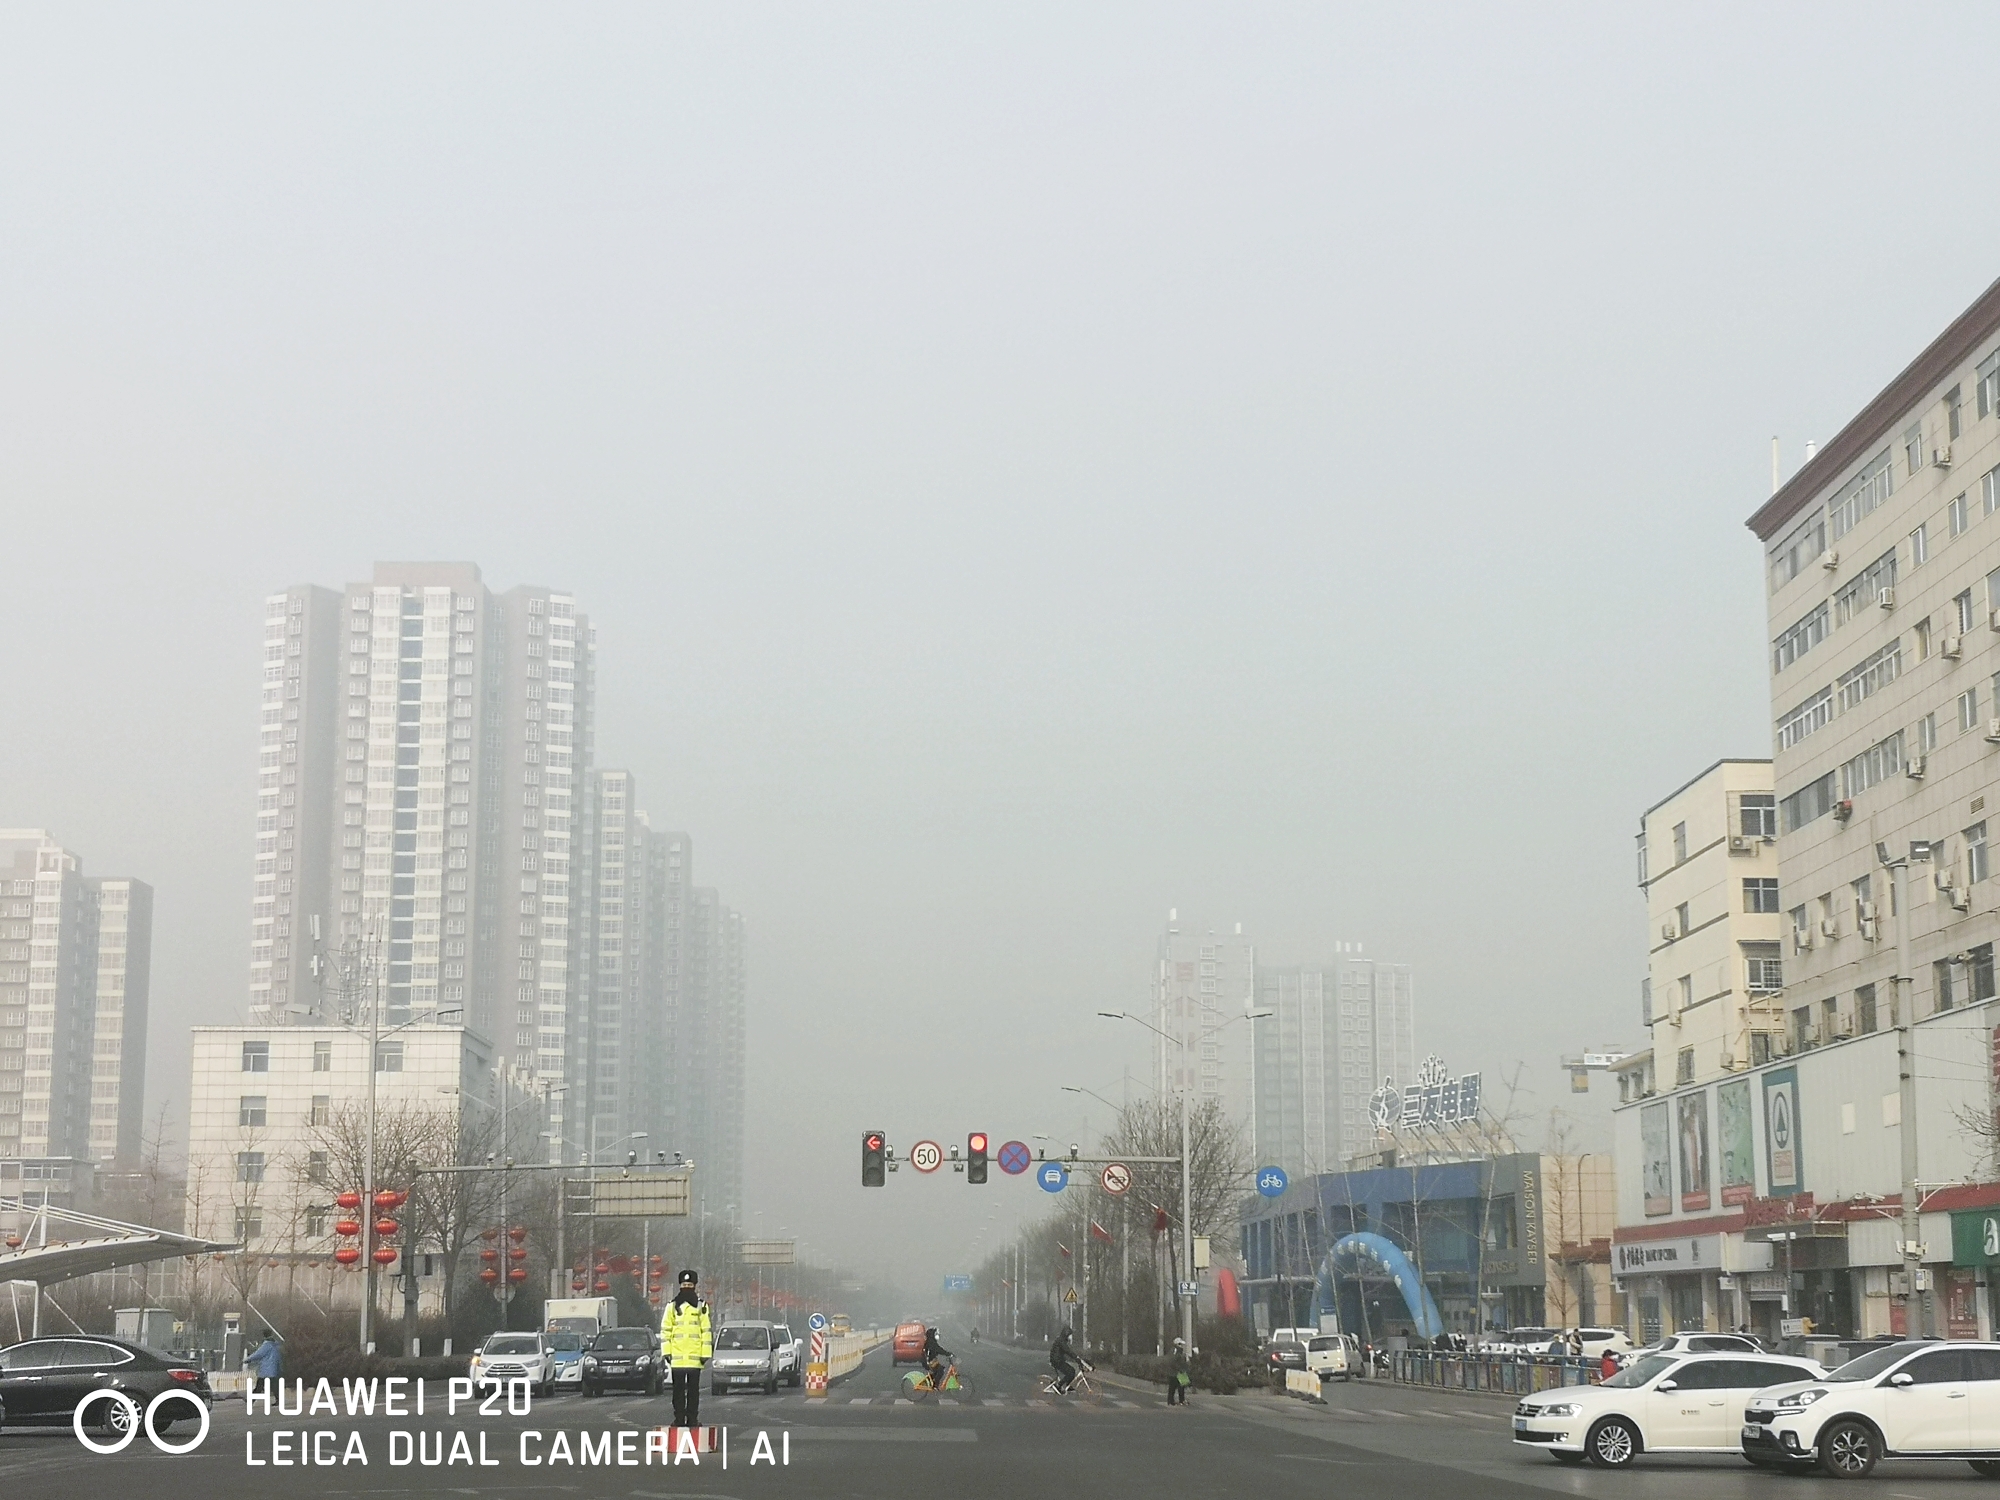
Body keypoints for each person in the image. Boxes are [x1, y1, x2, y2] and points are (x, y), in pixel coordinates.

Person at [660, 1269, 712, 1428]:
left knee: (693, 1393)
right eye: (684, 1284)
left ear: (695, 1286)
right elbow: (665, 1330)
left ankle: (692, 1419)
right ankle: (679, 1419)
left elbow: (706, 1331)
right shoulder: (671, 1307)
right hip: (677, 1359)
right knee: (677, 1393)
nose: (687, 1287)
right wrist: (667, 1352)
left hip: (695, 1359)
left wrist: (705, 1354)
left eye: (690, 1285)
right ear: (680, 1286)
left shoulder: (701, 1306)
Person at [1049, 1323, 1080, 1394]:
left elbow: (1067, 1351)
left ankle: (1067, 1386)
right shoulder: (1061, 1341)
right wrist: (1075, 1357)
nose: (1070, 1337)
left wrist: (1074, 1357)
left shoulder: (1061, 1339)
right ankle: (1058, 1385)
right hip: (1057, 1361)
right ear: (1066, 1334)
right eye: (1069, 1335)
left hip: (1058, 1360)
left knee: (1072, 1370)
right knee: (1070, 1372)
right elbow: (1067, 1351)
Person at [921, 1326, 953, 1391]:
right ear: (932, 1335)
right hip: (929, 1361)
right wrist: (948, 1354)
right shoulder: (931, 1342)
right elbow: (938, 1350)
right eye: (935, 1334)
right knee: (940, 1370)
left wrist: (947, 1353)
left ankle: (929, 1380)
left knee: (939, 1370)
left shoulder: (931, 1341)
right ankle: (935, 1385)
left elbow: (939, 1349)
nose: (937, 1335)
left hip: (932, 1360)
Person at [1166, 1336, 1190, 1406]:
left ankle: (1174, 1401)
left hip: (1176, 1371)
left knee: (1177, 1387)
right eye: (1180, 1344)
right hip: (1176, 1372)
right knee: (1176, 1387)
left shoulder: (1176, 1351)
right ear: (1177, 1344)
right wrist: (1180, 1369)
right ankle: (1174, 1401)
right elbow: (1174, 1362)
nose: (1182, 1346)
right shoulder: (1176, 1351)